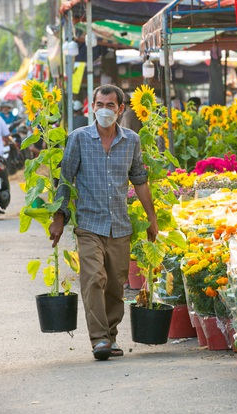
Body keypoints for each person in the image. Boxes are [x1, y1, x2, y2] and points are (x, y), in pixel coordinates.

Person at [48, 84, 158, 361]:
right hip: (89, 224)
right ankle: (99, 340)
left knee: (114, 285)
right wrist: (59, 218)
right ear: (92, 107)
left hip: (120, 226)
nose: (104, 110)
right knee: (93, 278)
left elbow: (140, 181)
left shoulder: (131, 140)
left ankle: (110, 336)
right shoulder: (78, 139)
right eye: (99, 104)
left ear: (121, 109)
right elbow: (65, 180)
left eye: (111, 105)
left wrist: (152, 219)